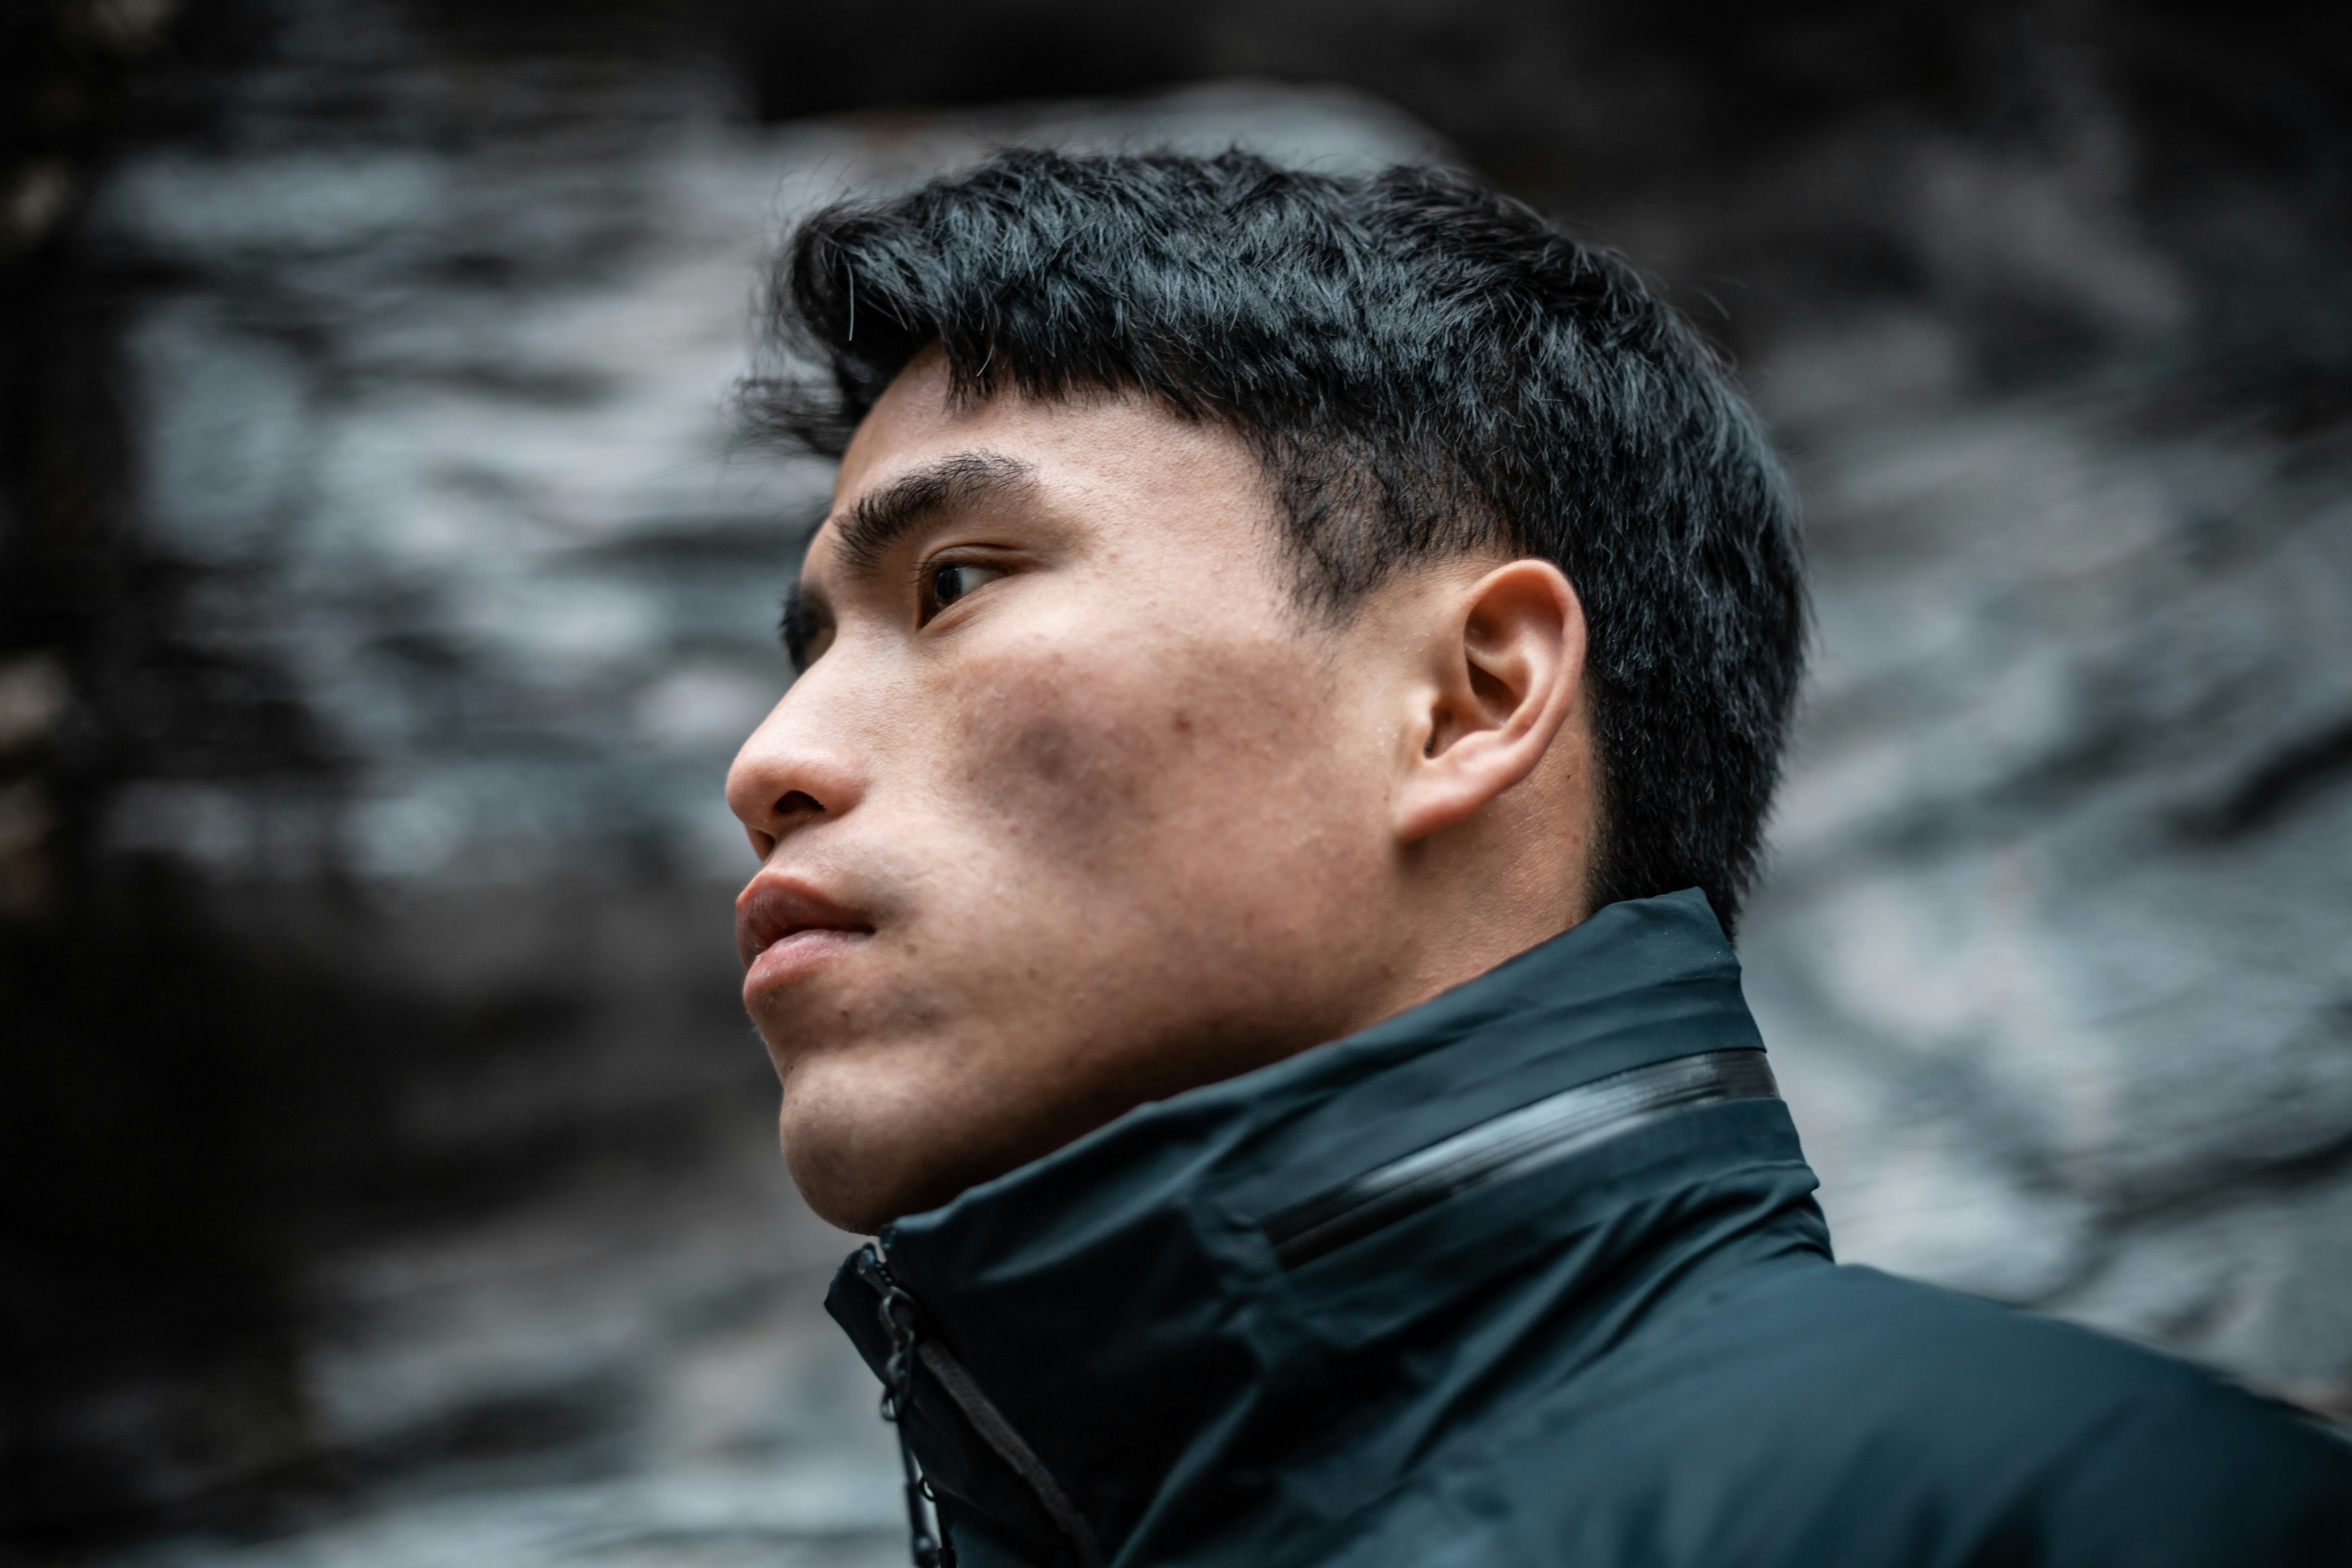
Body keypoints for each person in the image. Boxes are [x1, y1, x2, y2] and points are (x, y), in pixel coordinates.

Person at [723, 150, 2352, 1568]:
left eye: (954, 585)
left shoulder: (2110, 1520)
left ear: (1469, 697)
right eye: (806, 647)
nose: (769, 762)